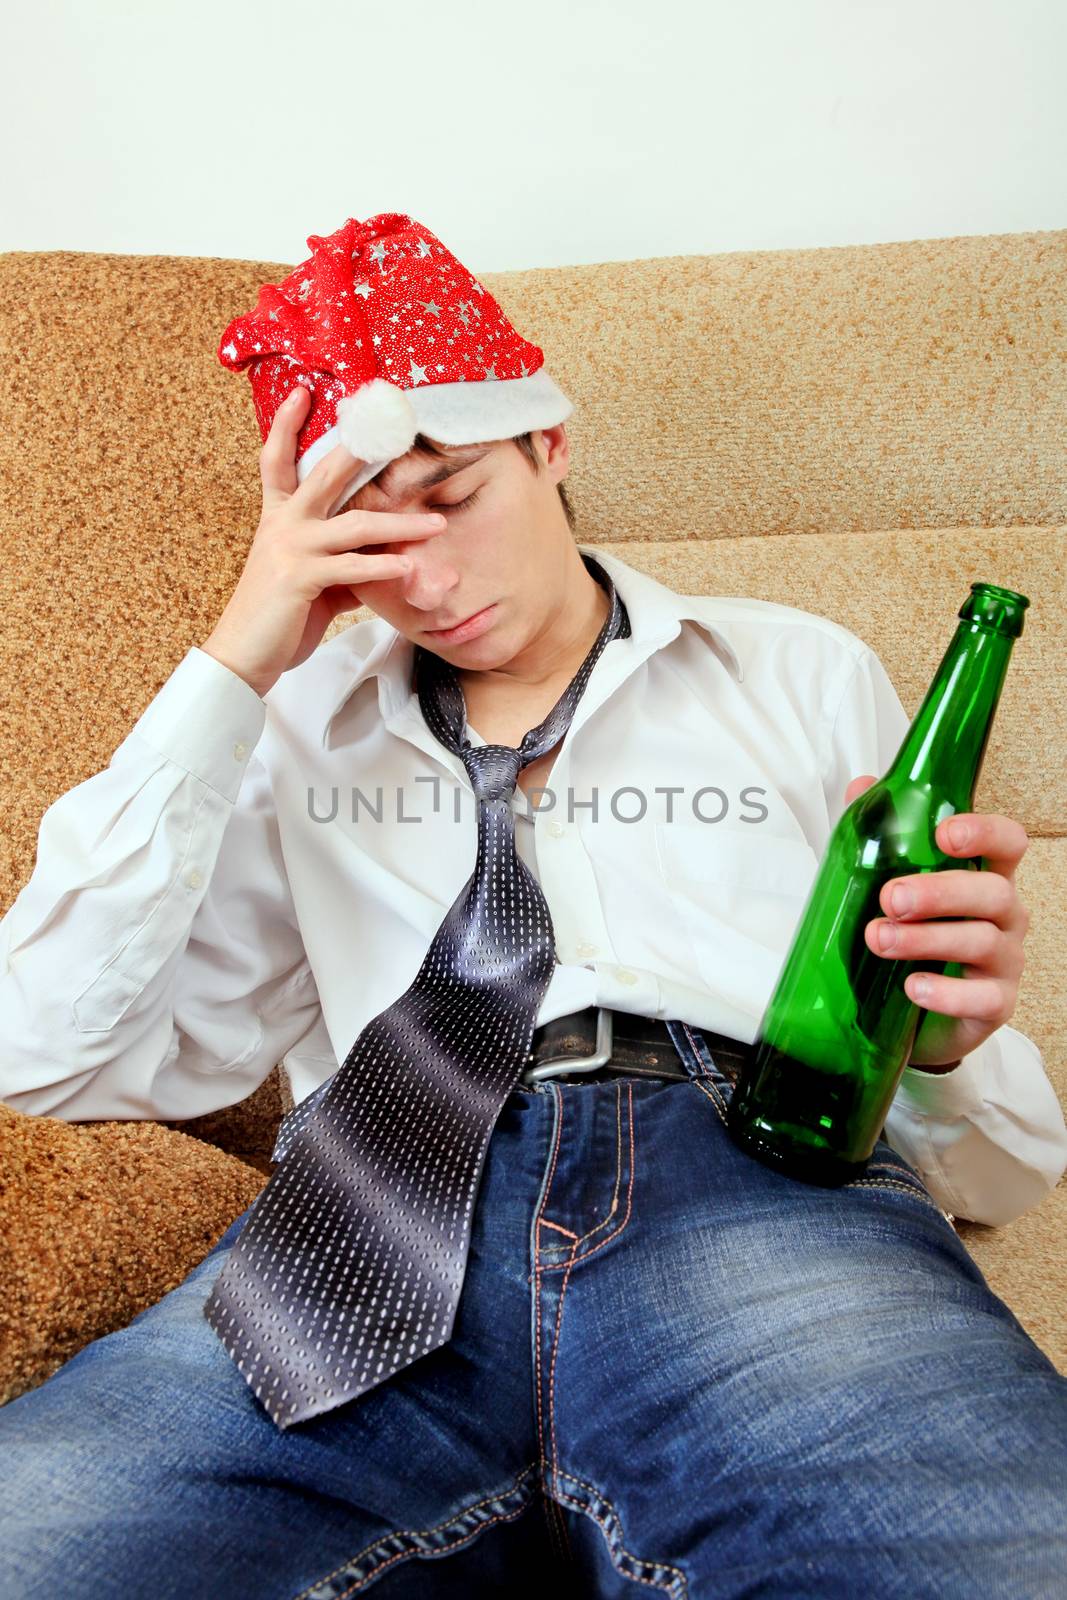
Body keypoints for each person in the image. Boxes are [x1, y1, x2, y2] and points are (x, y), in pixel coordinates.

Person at [1, 212, 1066, 1597]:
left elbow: (1004, 1172)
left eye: (449, 497)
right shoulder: (289, 731)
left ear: (550, 444)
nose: (424, 583)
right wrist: (240, 654)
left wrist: (940, 1044)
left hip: (743, 1186)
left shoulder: (799, 674)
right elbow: (37, 1059)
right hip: (361, 1221)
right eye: (364, 538)